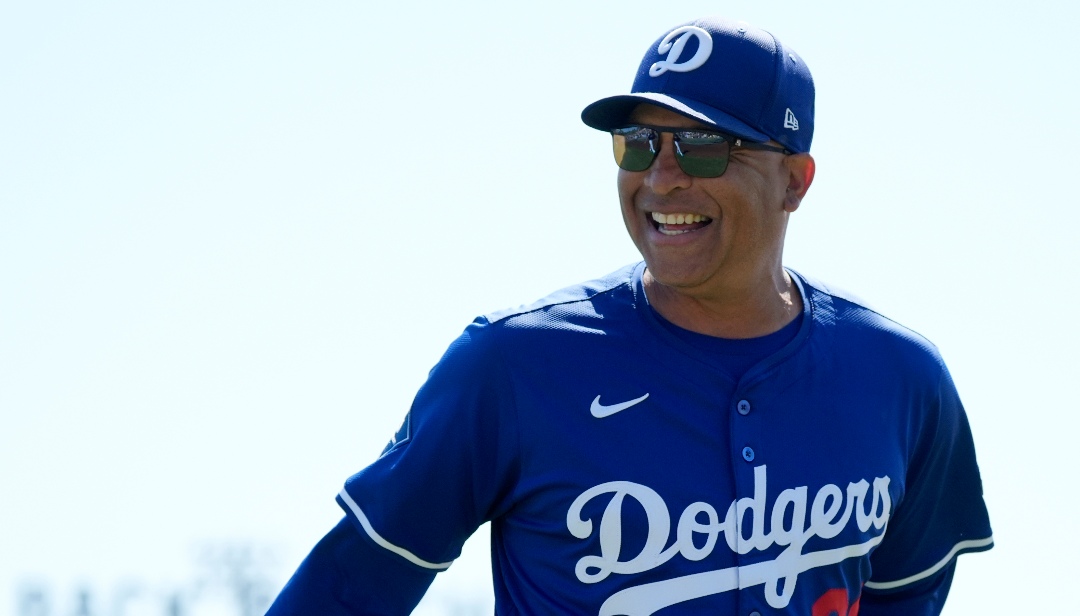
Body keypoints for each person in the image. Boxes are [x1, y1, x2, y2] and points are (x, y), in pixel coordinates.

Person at [267, 16, 992, 615]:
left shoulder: (902, 380)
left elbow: (909, 594)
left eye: (704, 148)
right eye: (638, 143)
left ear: (794, 181)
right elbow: (349, 587)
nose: (660, 176)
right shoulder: (514, 366)